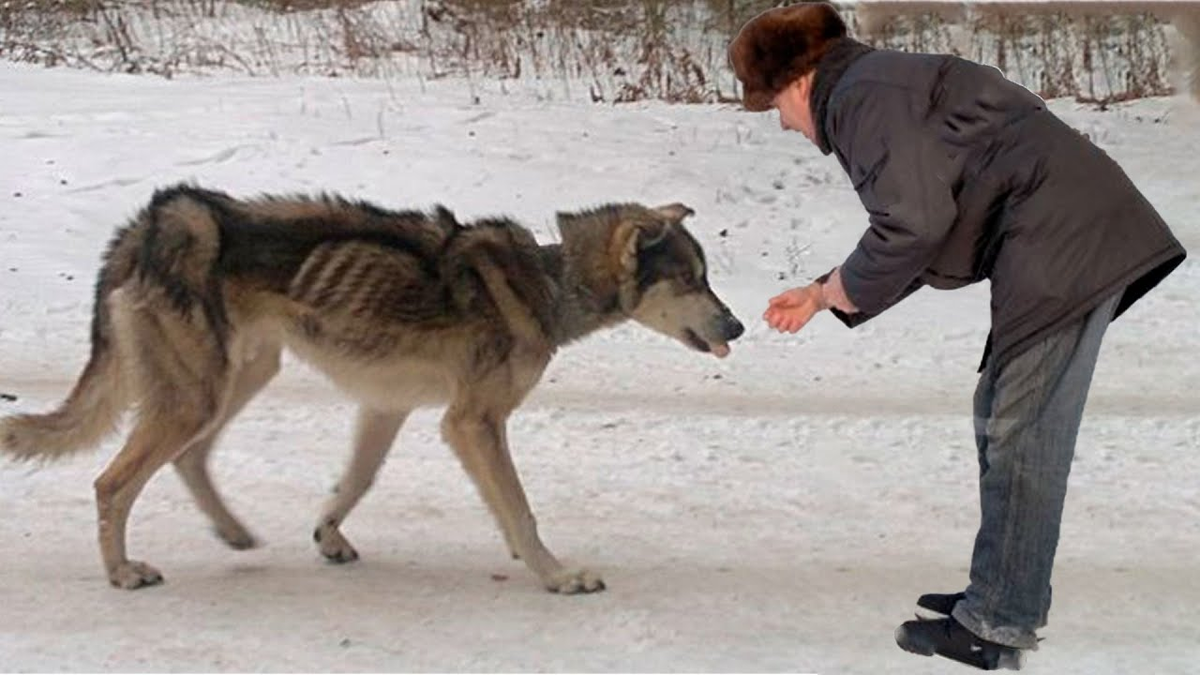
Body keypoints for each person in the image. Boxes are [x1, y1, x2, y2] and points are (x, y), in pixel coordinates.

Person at [728, 2, 1187, 671]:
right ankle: (996, 590)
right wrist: (827, 290)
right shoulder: (875, 86)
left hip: (1065, 242)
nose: (786, 125)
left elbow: (911, 224)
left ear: (795, 80)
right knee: (1000, 415)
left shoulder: (861, 99)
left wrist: (831, 293)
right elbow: (929, 220)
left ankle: (999, 622)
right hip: (1061, 236)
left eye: (773, 107)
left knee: (1020, 432)